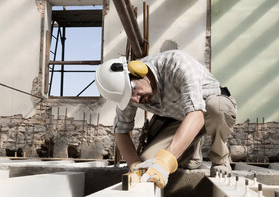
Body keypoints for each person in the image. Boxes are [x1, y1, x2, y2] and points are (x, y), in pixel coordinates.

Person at [95, 50, 237, 188]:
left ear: (138, 71)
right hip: (179, 119)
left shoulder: (176, 63)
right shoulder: (127, 95)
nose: (136, 100)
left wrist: (164, 162)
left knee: (217, 107)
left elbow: (196, 112)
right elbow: (121, 131)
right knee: (148, 163)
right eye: (129, 100)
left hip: (207, 110)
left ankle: (220, 159)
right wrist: (135, 166)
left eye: (133, 90)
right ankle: (193, 148)